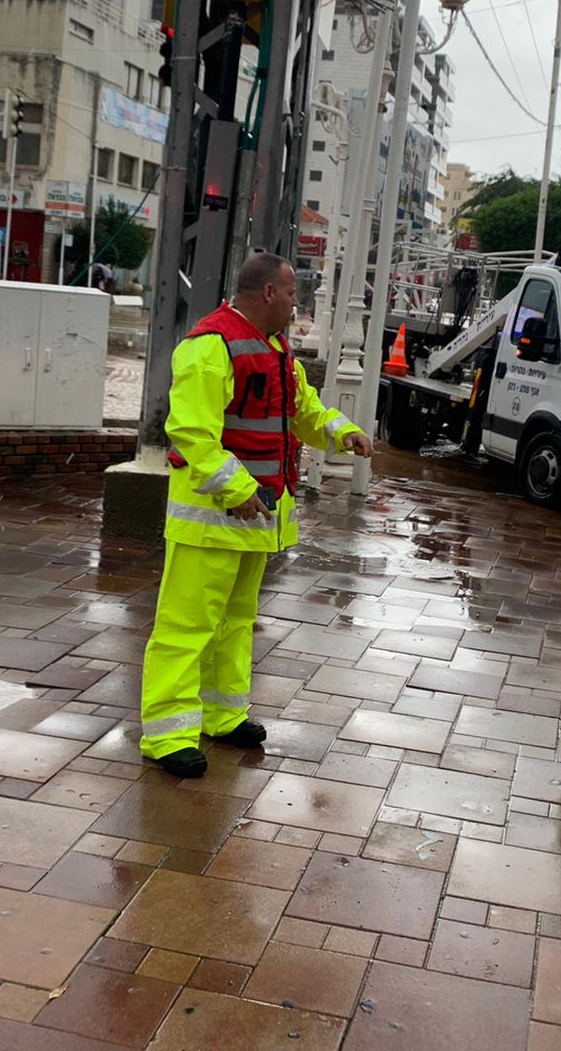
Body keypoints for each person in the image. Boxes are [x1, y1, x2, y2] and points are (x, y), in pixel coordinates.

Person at [140, 253, 373, 778]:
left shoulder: (273, 350)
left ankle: (223, 715)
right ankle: (167, 735)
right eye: (292, 294)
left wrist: (341, 431)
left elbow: (303, 411)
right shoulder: (211, 346)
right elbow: (191, 433)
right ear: (268, 294)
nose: (297, 304)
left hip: (252, 518)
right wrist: (239, 488)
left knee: (235, 622)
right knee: (187, 625)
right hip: (211, 517)